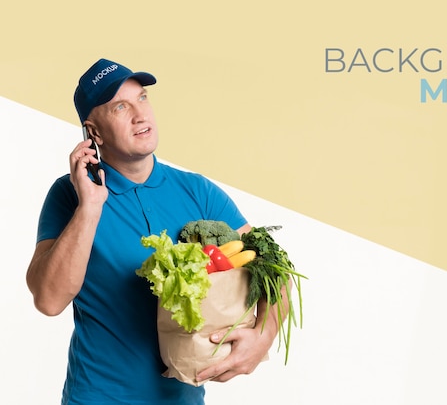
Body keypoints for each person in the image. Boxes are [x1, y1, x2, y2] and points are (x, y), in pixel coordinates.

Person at [26, 58, 284, 404]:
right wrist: (89, 207)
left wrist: (263, 336)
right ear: (94, 133)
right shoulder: (69, 196)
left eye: (142, 98)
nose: (140, 114)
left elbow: (272, 269)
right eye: (120, 106)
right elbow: (49, 300)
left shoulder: (197, 192)